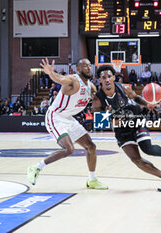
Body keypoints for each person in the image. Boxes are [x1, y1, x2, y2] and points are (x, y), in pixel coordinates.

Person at [93, 65, 161, 192]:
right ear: (99, 80)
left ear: (114, 77)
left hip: (136, 120)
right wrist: (112, 119)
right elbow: (100, 123)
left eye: (109, 76)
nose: (107, 79)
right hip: (121, 130)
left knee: (147, 148)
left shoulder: (124, 88)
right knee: (136, 160)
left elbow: (136, 98)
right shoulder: (98, 99)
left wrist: (147, 104)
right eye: (104, 78)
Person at [27, 58, 108, 190]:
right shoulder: (73, 80)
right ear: (78, 69)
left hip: (69, 118)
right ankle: (36, 167)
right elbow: (60, 79)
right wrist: (51, 73)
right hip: (55, 116)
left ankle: (92, 180)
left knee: (91, 147)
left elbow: (98, 104)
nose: (88, 68)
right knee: (69, 149)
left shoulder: (91, 87)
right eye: (84, 66)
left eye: (89, 66)